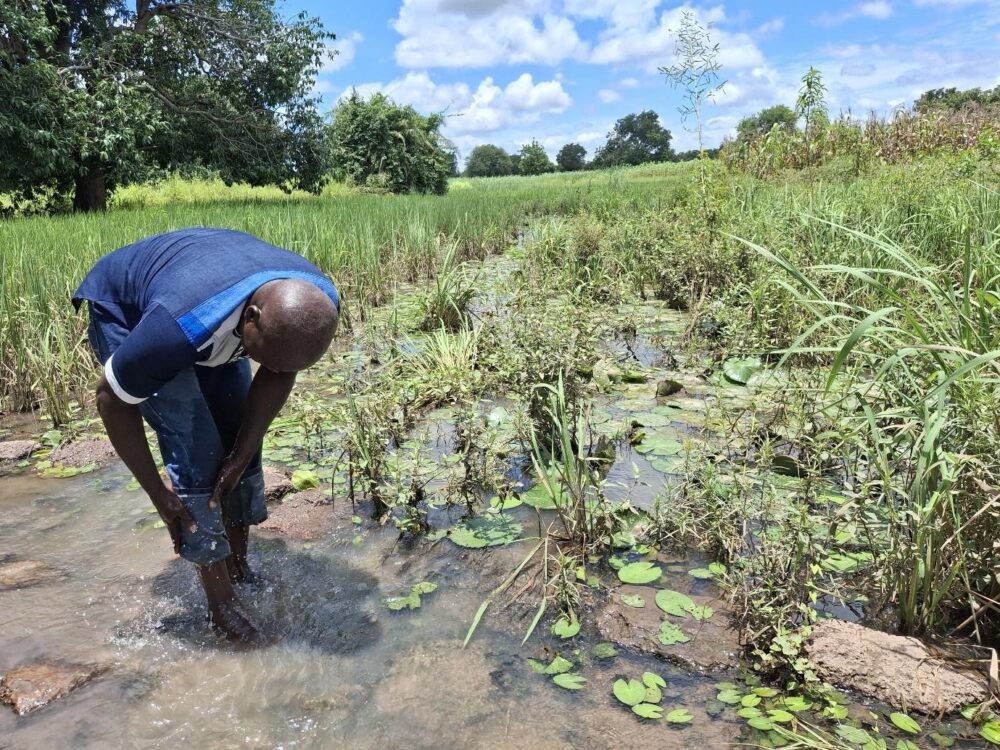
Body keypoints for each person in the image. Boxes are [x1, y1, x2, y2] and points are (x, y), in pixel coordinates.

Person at [72, 227, 340, 643]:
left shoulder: (312, 303)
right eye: (259, 355)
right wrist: (159, 496)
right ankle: (221, 609)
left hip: (213, 299)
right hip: (131, 311)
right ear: (251, 318)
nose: (264, 366)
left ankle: (237, 566)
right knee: (195, 448)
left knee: (237, 441)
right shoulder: (175, 327)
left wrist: (240, 456)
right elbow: (111, 399)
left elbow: (278, 369)